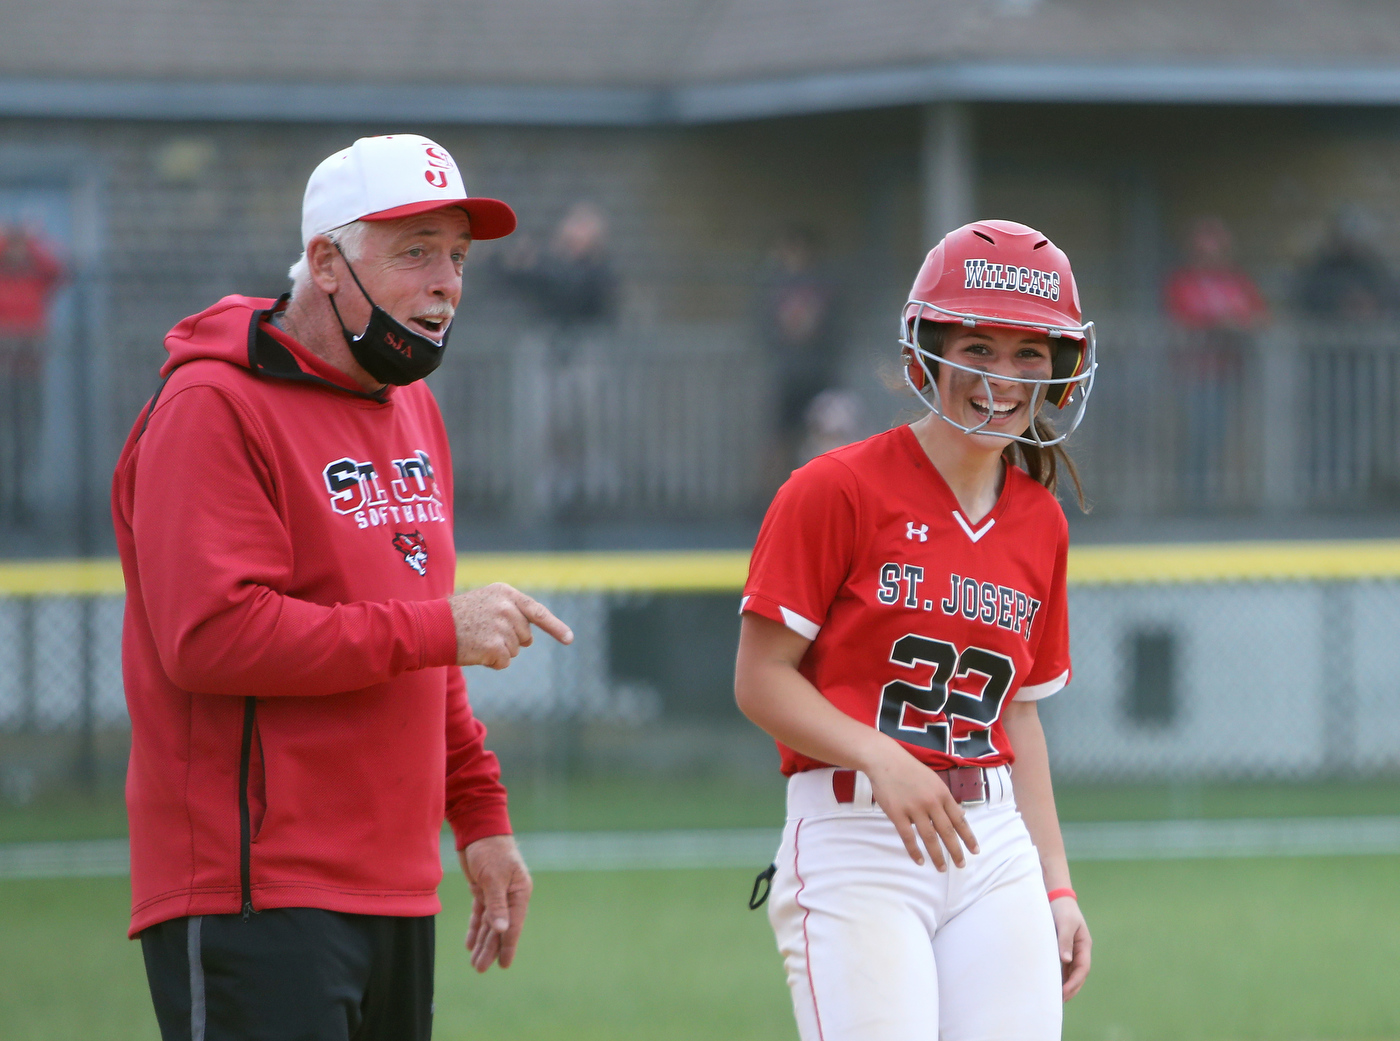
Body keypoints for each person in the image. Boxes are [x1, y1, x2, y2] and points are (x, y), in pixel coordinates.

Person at [112, 134, 574, 1041]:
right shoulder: (214, 405)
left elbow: (422, 631)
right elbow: (212, 637)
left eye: (457, 257)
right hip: (256, 890)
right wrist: (440, 628)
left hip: (396, 887)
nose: (446, 282)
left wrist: (478, 815)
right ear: (326, 261)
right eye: (415, 253)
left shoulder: (410, 407)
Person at [736, 219, 1094, 1041]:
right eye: (977, 346)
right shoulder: (835, 488)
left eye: (1029, 353)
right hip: (856, 833)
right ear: (924, 354)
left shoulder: (1039, 519)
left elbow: (1019, 715)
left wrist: (1058, 884)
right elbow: (760, 679)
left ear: (1062, 370)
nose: (1001, 377)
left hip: (993, 840)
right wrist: (878, 755)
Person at [1161, 216, 1268, 506]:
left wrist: (1235, 325)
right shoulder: (1182, 283)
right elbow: (1181, 319)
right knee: (1196, 438)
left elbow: (1257, 317)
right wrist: (1219, 324)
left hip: (1231, 375)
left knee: (1225, 439)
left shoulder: (1237, 282)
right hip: (1193, 376)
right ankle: (1193, 498)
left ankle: (1222, 498)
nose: (1210, 256)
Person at [0, 222, 64, 522]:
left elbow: (58, 269)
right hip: (4, 367)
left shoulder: (37, 276)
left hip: (31, 368)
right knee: (7, 435)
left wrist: (32, 239)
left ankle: (27, 500)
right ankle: (8, 497)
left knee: (29, 431)